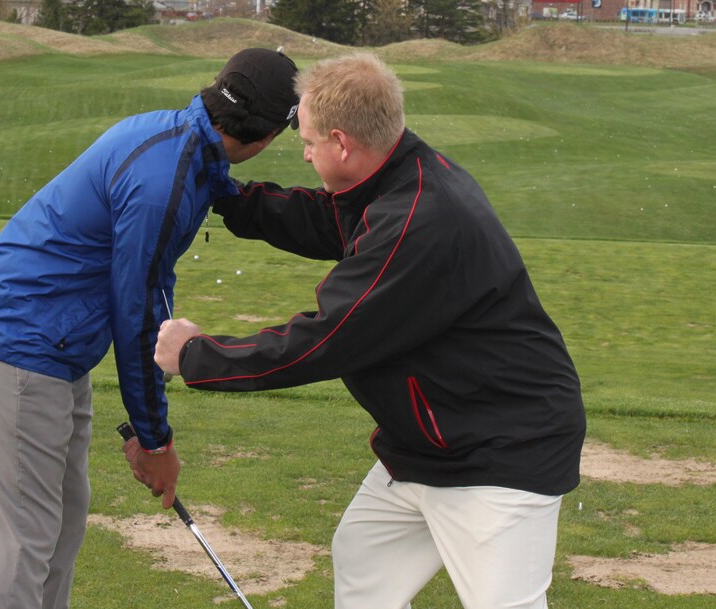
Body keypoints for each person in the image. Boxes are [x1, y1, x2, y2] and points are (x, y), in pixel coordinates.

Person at [155, 53, 586, 609]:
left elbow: (326, 339)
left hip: (502, 453)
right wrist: (231, 197)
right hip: (428, 446)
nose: (305, 153)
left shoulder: (420, 217)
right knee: (365, 564)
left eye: (308, 142)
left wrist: (195, 355)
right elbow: (328, 219)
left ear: (341, 143)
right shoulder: (396, 177)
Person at [0, 48, 299, 609]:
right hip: (18, 340)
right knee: (18, 547)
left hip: (53, 343)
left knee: (62, 522)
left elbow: (151, 287)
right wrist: (154, 439)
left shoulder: (180, 140)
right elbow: (138, 317)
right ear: (267, 135)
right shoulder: (165, 181)